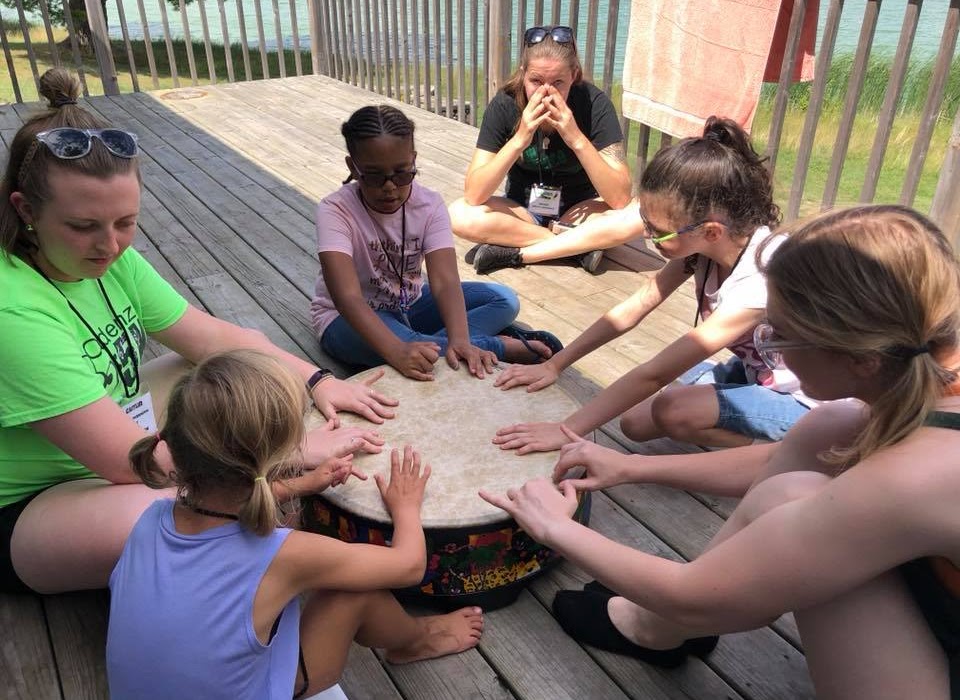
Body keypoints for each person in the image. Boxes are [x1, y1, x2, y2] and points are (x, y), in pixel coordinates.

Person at [482, 205, 960, 699]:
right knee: (816, 450)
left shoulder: (914, 478)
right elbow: (778, 464)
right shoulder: (924, 385)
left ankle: (662, 625)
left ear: (861, 359)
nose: (769, 343)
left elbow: (693, 598)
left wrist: (555, 528)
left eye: (779, 334)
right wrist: (631, 466)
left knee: (791, 505)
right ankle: (661, 628)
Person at [0, 68, 397, 596]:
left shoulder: (112, 260)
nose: (110, 245)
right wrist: (290, 451)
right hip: (38, 503)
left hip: (117, 423)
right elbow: (136, 463)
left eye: (125, 222)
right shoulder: (13, 313)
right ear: (25, 211)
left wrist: (320, 383)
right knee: (189, 512)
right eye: (83, 226)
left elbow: (217, 340)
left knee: (236, 369)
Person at [107, 350, 484, 699]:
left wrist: (305, 484)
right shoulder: (286, 555)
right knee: (354, 590)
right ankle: (417, 639)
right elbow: (409, 566)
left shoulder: (151, 519)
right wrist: (406, 506)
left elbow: (230, 499)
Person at [491, 117, 811, 454]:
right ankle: (740, 422)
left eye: (658, 232)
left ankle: (785, 452)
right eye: (645, 222)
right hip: (758, 373)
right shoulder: (707, 246)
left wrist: (566, 429)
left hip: (810, 398)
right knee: (635, 423)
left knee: (673, 410)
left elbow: (655, 374)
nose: (647, 235)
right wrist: (555, 364)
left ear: (711, 231)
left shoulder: (759, 279)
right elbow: (635, 307)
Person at [312, 104, 563, 382]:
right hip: (346, 318)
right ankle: (498, 345)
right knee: (414, 350)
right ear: (353, 167)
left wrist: (459, 339)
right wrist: (396, 350)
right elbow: (347, 297)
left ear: (414, 160)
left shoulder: (429, 204)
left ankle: (456, 343)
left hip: (408, 302)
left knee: (504, 300)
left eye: (402, 173)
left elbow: (444, 280)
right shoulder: (335, 210)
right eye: (374, 176)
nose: (389, 187)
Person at [447, 25, 631, 272]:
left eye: (558, 82)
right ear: (523, 73)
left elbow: (620, 198)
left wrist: (575, 138)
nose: (546, 92)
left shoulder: (594, 104)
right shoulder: (505, 104)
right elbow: (474, 194)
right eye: (536, 81)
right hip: (522, 212)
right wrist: (520, 139)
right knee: (459, 214)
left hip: (580, 213)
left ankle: (519, 252)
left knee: (637, 215)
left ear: (574, 75)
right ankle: (576, 248)